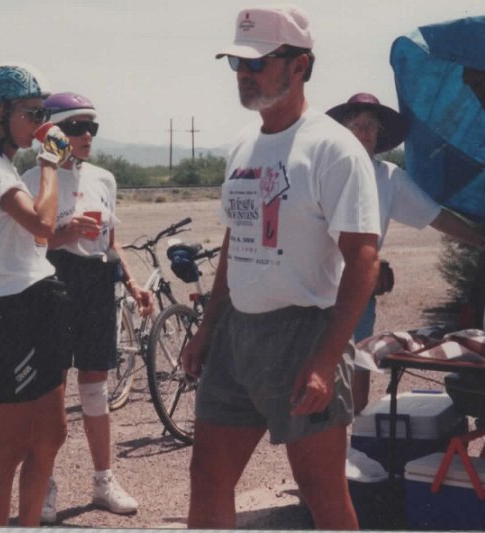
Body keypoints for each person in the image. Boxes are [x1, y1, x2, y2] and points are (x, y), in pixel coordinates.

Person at [181, 6, 381, 530]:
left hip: (302, 333)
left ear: (300, 65)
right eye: (238, 65)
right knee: (207, 478)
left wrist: (326, 357)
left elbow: (362, 256)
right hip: (236, 334)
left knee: (321, 493)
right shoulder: (244, 146)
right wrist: (207, 328)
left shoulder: (333, 148)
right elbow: (236, 239)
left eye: (259, 63)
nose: (245, 75)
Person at [21, 92, 151, 522]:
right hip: (53, 278)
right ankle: (45, 486)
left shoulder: (104, 178)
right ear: (53, 131)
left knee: (95, 386)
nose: (86, 135)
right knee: (53, 389)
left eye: (92, 126)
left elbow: (110, 240)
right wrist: (64, 233)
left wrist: (132, 283)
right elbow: (25, 243)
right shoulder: (34, 176)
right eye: (75, 127)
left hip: (97, 282)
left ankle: (103, 481)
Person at [326, 92, 485, 413]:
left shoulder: (390, 178)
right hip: (315, 286)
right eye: (357, 125)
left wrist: (483, 242)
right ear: (343, 131)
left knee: (358, 360)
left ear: (380, 135)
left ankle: (353, 431)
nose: (364, 133)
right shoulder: (322, 169)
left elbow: (436, 216)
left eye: (371, 127)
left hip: (358, 288)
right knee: (310, 362)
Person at [0, 64, 73, 526]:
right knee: (11, 445)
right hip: (13, 314)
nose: (40, 121)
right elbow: (41, 224)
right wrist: (48, 165)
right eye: (32, 111)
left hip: (38, 302)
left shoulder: (4, 167)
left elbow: (37, 240)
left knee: (51, 434)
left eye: (43, 111)